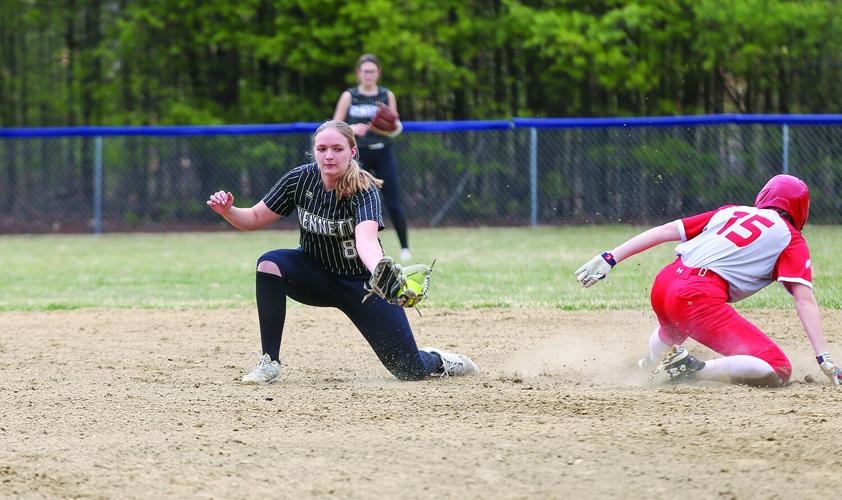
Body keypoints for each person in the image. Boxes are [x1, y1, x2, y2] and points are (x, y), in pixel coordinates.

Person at [207, 120, 478, 384]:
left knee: (409, 370)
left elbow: (366, 241)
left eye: (337, 149)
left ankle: (439, 359)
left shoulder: (363, 190)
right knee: (268, 265)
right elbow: (254, 218)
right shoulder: (300, 179)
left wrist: (380, 271)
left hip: (362, 286)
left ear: (352, 152)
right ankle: (269, 362)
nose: (328, 155)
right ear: (314, 150)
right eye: (322, 148)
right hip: (314, 275)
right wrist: (227, 211)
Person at [574, 174, 842, 387]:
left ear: (764, 196)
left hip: (665, 282)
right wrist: (824, 357)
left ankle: (650, 365)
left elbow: (667, 230)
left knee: (674, 329)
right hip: (696, 295)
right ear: (800, 210)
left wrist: (611, 257)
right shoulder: (791, 239)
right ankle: (692, 370)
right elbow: (804, 300)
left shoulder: (731, 211)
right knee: (777, 367)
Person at [332, 53, 412, 262]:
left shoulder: (386, 95)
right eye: (365, 71)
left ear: (378, 73)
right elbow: (334, 126)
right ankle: (349, 246)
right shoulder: (349, 96)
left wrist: (386, 127)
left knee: (393, 201)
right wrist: (350, 128)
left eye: (372, 71)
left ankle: (405, 247)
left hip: (383, 152)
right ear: (359, 73)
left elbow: (395, 128)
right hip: (358, 155)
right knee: (351, 200)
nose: (368, 75)